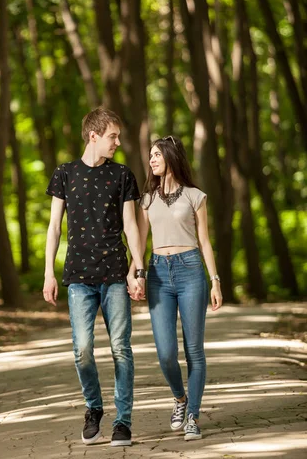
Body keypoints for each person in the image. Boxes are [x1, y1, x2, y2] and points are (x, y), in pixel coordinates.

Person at [43, 107, 145, 447]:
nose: (117, 142)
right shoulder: (65, 174)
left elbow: (131, 225)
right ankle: (94, 408)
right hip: (78, 277)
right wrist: (49, 273)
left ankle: (123, 421)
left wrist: (138, 268)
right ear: (94, 136)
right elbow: (55, 226)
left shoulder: (122, 175)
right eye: (113, 136)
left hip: (115, 274)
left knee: (120, 348)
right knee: (83, 350)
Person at [135, 135, 223, 441]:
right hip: (159, 273)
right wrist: (137, 274)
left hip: (191, 272)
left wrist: (215, 280)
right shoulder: (146, 199)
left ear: (171, 156)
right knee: (166, 354)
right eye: (150, 156)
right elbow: (140, 243)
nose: (152, 160)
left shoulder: (195, 197)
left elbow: (205, 241)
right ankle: (179, 398)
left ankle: (194, 417)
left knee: (194, 351)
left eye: (157, 154)